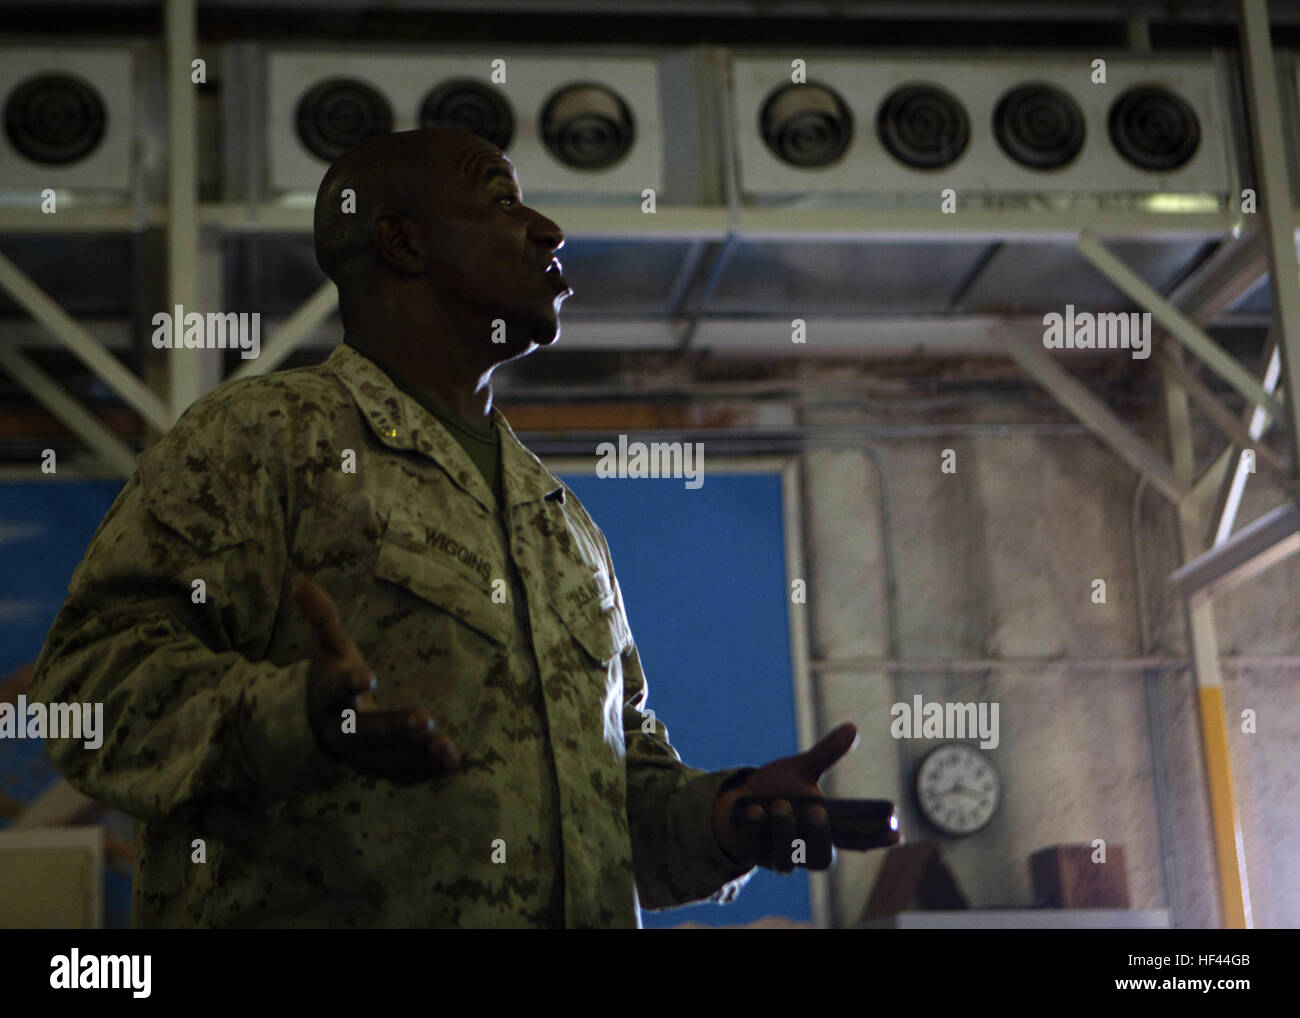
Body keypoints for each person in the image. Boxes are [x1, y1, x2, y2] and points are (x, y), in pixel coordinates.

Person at [29, 127, 860, 928]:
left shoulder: (561, 521)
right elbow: (85, 689)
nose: (548, 229)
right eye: (502, 200)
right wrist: (296, 716)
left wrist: (726, 817)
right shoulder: (269, 438)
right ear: (401, 243)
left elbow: (610, 803)